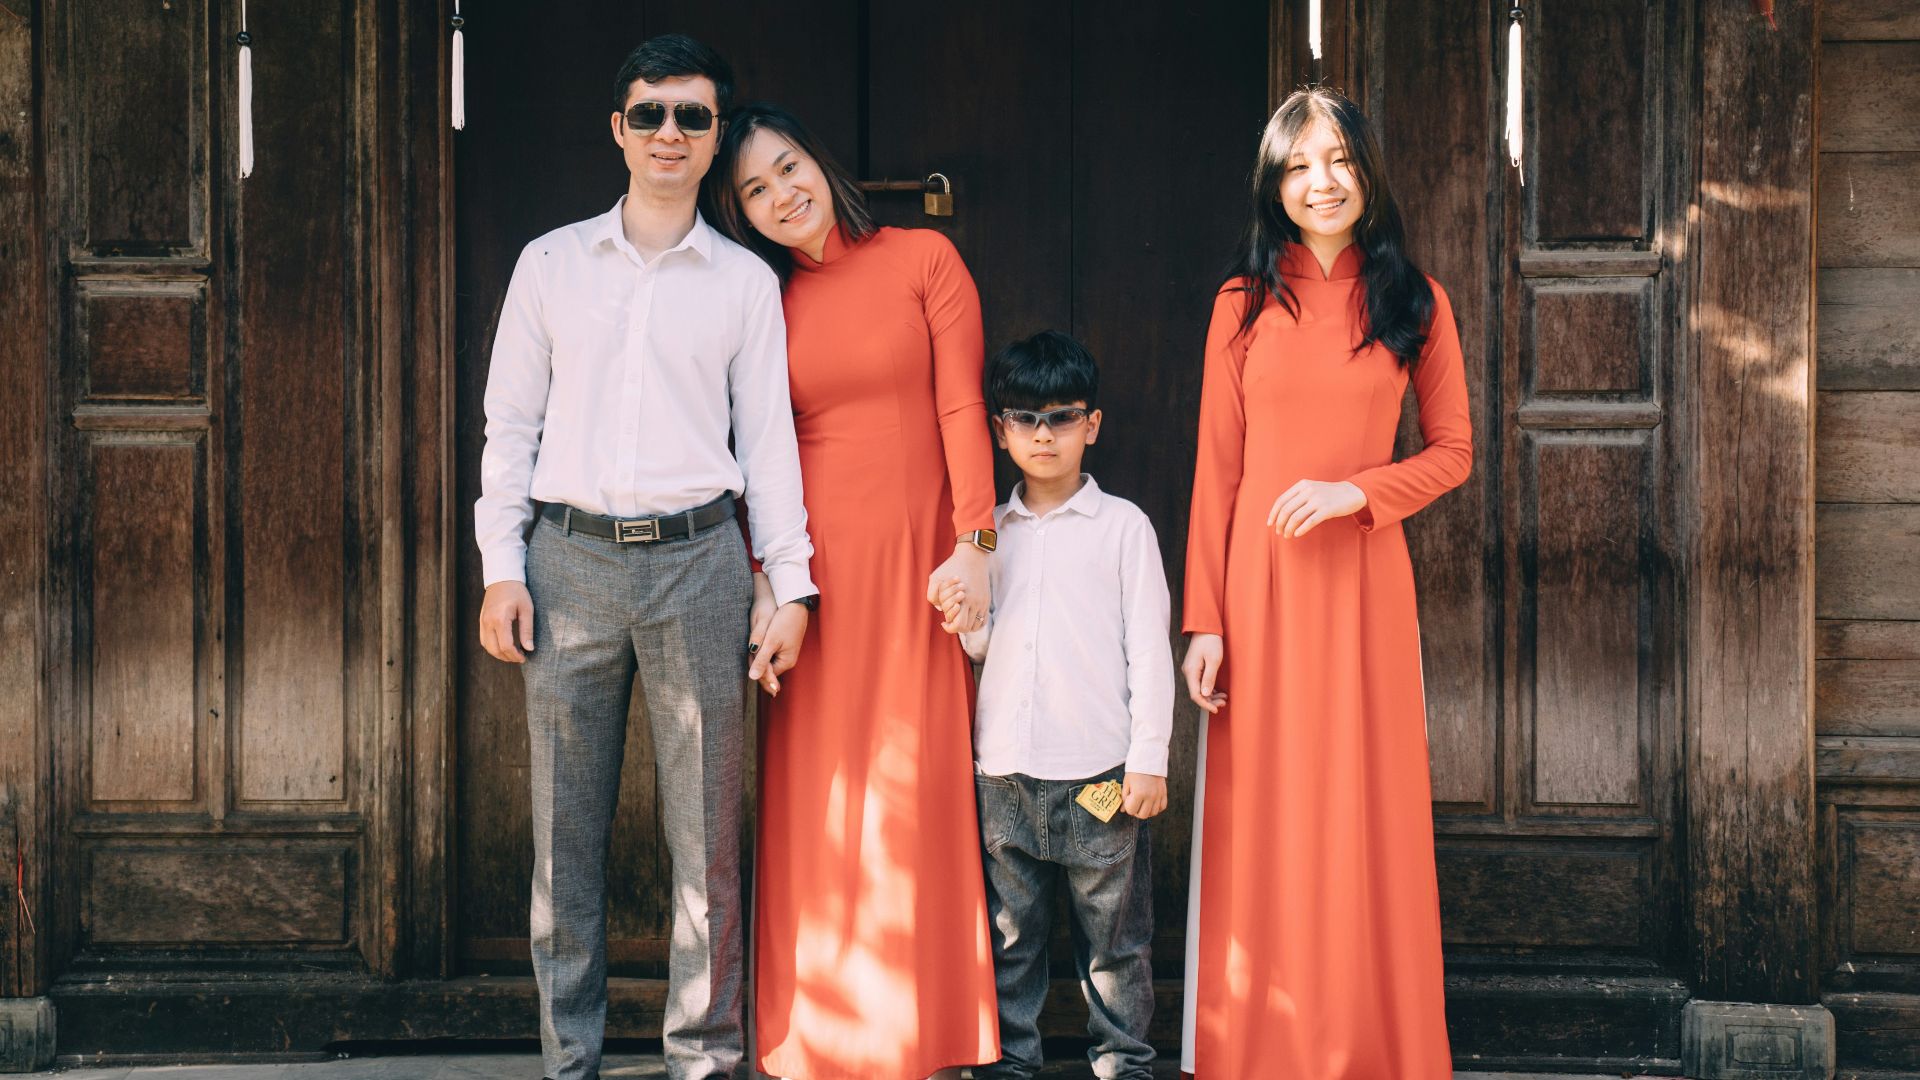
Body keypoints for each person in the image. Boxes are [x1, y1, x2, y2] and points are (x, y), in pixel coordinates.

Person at [473, 36, 817, 1080]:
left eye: (693, 117)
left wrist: (790, 584)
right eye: (653, 113)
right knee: (564, 836)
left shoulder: (744, 283)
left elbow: (769, 442)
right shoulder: (550, 265)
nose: (672, 133)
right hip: (567, 562)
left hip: (699, 562)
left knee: (707, 839)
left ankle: (702, 1058)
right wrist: (500, 566)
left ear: (712, 141)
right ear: (619, 128)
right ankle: (568, 1058)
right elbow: (509, 427)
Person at [1178, 87, 1472, 1079]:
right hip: (1256, 593)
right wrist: (1204, 620)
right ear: (1275, 185)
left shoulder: (1416, 303)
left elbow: (1454, 452)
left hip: (1362, 588)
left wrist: (1357, 491)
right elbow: (1217, 472)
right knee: (1268, 811)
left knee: (1361, 809)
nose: (1322, 181)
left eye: (1340, 159)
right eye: (1300, 165)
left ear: (1368, 174)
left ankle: (1368, 1045)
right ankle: (1263, 1046)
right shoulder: (1242, 305)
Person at [705, 105, 999, 1079]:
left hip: (919, 561)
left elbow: (961, 403)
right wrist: (768, 580)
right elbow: (755, 451)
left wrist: (975, 542)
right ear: (740, 214)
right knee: (819, 791)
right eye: (755, 190)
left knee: (914, 784)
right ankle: (817, 1041)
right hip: (814, 573)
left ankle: (919, 1031)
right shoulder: (762, 298)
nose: (782, 195)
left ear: (820, 163)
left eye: (788, 168)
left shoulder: (923, 259)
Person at [937, 331, 1174, 1080]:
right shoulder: (986, 536)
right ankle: (1011, 1061)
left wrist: (1149, 759)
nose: (1044, 435)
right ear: (1000, 431)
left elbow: (1150, 651)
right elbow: (982, 651)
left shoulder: (1124, 529)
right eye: (1026, 419)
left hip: (1101, 777)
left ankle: (1124, 1061)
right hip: (1005, 775)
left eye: (1063, 417)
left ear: (1091, 425)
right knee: (1011, 938)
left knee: (1116, 942)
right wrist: (965, 619)